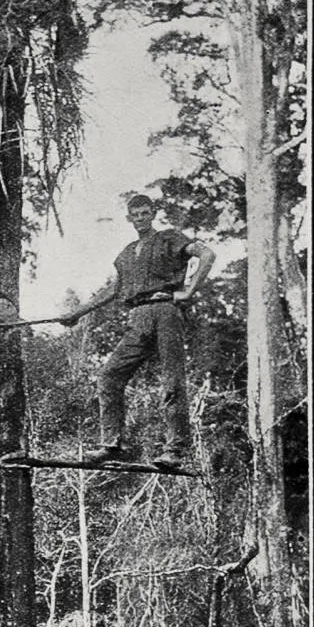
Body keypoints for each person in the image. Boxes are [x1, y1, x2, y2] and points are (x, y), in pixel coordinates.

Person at [62, 194, 215, 469]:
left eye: (146, 213)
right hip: (138, 317)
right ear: (129, 218)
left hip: (165, 310)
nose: (141, 218)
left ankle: (175, 450)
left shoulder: (169, 238)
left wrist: (190, 289)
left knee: (172, 380)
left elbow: (207, 254)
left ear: (153, 213)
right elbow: (114, 289)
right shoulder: (126, 253)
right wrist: (78, 312)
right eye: (136, 214)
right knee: (109, 376)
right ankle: (112, 444)